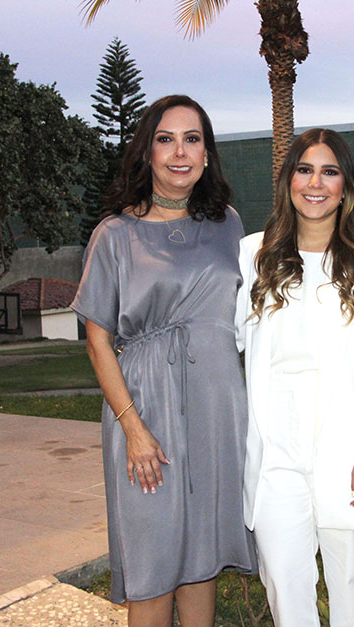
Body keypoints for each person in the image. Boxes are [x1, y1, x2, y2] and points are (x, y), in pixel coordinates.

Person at [71, 94, 256, 627]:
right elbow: (97, 340)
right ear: (146, 152)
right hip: (145, 410)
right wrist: (133, 428)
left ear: (206, 153)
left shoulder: (229, 225)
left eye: (192, 139)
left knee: (201, 561)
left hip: (216, 407)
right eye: (166, 138)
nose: (180, 152)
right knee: (153, 563)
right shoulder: (115, 234)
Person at [235, 128, 354, 626]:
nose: (316, 183)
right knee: (286, 589)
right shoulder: (254, 255)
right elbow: (236, 343)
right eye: (305, 170)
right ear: (288, 182)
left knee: (353, 587)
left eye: (330, 172)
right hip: (275, 456)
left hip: (349, 449)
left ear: (346, 186)